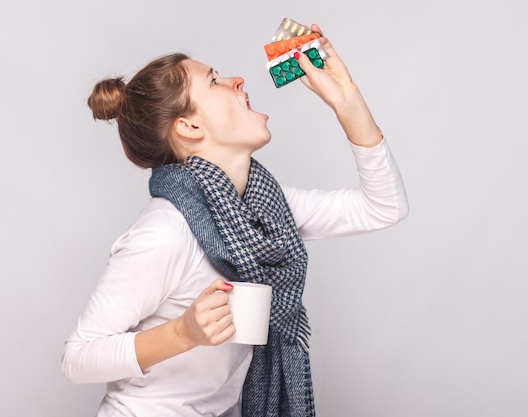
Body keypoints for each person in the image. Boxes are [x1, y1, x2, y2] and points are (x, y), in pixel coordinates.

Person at [62, 24, 409, 417]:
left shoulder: (266, 211)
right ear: (190, 126)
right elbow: (78, 357)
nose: (237, 80)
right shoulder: (165, 231)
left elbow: (384, 206)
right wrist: (183, 332)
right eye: (215, 81)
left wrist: (347, 101)